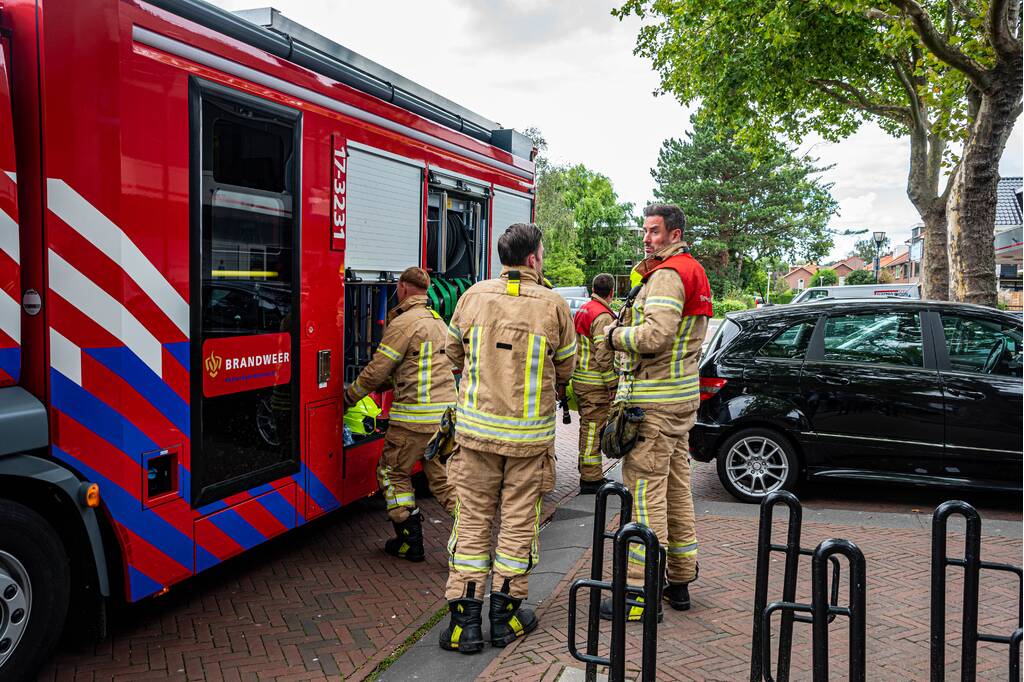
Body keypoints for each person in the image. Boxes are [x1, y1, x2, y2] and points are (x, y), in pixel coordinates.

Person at [439, 223, 576, 654]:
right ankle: (505, 616)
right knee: (518, 523)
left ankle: (464, 624)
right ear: (534, 258)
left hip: (476, 436)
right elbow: (568, 367)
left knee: (473, 521)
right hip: (528, 442)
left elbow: (452, 353)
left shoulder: (473, 296)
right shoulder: (554, 305)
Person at [602, 203, 712, 619]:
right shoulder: (692, 271)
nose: (647, 239)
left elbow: (655, 336)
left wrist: (614, 336)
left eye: (654, 232)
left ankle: (638, 594)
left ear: (675, 234)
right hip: (679, 402)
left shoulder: (667, 275)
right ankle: (679, 580)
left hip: (654, 404)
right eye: (645, 231)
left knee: (645, 496)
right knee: (677, 489)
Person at [344, 267, 457, 562]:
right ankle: (472, 536)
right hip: (445, 417)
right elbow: (413, 369)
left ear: (403, 287)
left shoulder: (404, 323)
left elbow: (379, 369)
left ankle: (410, 541)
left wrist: (349, 396)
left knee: (391, 472)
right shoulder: (438, 323)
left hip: (414, 420)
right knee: (442, 479)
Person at [572, 273, 618, 494]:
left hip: (581, 379)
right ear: (611, 292)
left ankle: (588, 470)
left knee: (587, 427)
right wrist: (612, 384)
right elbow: (603, 355)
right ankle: (590, 478)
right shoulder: (602, 317)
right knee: (592, 429)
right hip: (595, 385)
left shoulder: (585, 309)